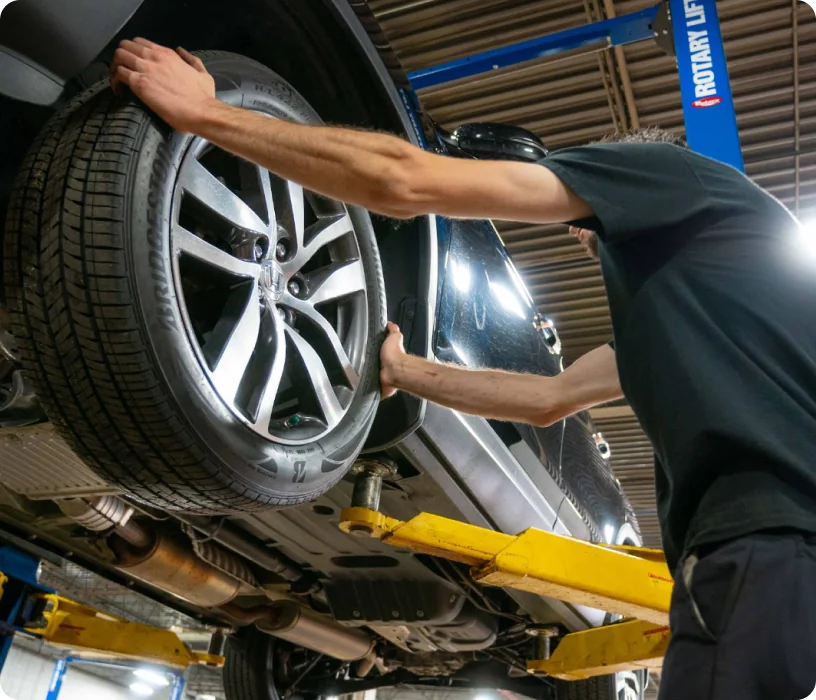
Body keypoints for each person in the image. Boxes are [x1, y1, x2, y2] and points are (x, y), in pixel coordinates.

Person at [110, 40, 816, 700]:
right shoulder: (707, 301)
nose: (576, 231)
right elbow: (549, 399)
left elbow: (403, 179)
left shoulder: (672, 174)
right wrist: (407, 372)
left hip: (772, 551)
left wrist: (204, 113)